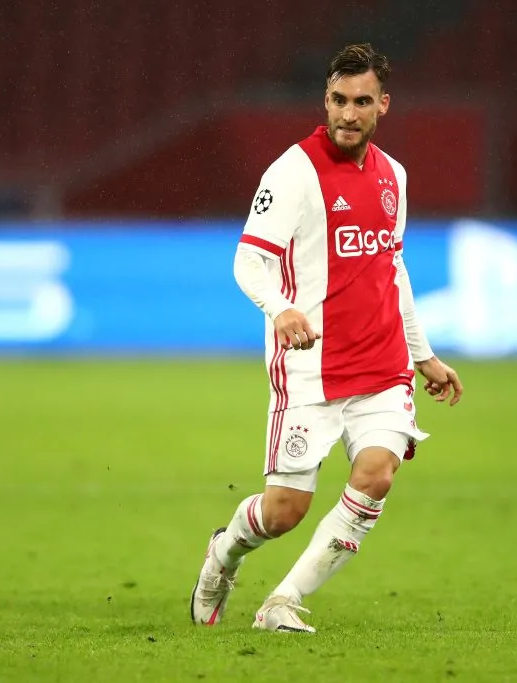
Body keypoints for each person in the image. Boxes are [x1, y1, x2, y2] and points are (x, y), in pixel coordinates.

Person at [189, 43, 464, 633]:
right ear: (325, 100)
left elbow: (393, 269)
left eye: (362, 102)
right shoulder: (292, 172)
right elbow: (247, 261)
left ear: (382, 105)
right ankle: (224, 554)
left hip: (383, 367)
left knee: (377, 475)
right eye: (338, 100)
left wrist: (424, 355)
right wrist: (282, 308)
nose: (348, 113)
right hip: (310, 370)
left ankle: (282, 602)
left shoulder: (395, 176)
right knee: (284, 511)